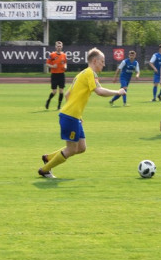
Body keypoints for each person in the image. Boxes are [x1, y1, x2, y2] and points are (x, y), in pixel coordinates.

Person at [38, 48, 126, 178]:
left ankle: (48, 157)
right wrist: (117, 92)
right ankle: (45, 170)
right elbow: (99, 91)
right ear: (95, 61)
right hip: (70, 116)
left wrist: (78, 114)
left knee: (81, 147)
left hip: (73, 116)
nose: (104, 64)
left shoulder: (82, 73)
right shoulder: (90, 73)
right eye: (102, 61)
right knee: (72, 149)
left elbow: (68, 95)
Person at [44, 41, 68, 110]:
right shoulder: (52, 55)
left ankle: (59, 106)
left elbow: (65, 63)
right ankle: (48, 100)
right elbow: (47, 64)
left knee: (61, 91)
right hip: (54, 75)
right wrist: (52, 66)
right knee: (54, 91)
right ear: (55, 47)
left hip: (61, 74)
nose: (59, 47)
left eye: (60, 46)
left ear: (62, 47)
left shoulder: (64, 55)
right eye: (58, 46)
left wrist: (65, 67)